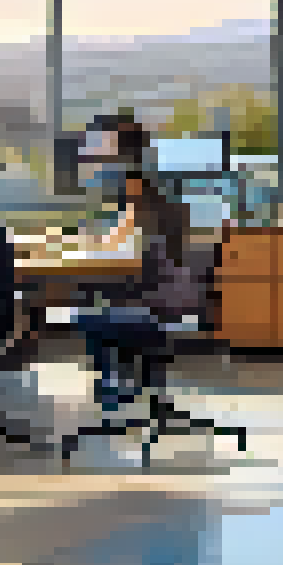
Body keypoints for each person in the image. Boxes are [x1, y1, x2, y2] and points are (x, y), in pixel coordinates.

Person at [78, 169, 203, 409]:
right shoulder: (167, 219)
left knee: (90, 318)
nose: (128, 198)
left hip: (154, 309)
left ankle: (114, 389)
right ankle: (126, 385)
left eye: (131, 193)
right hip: (167, 308)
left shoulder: (142, 226)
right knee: (102, 312)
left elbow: (130, 272)